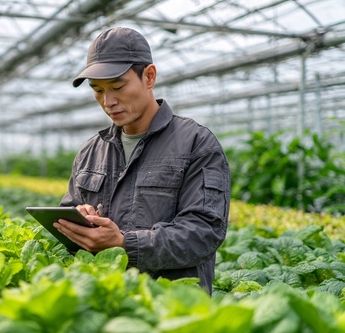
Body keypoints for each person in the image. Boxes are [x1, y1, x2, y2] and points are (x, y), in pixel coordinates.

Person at [54, 27, 230, 294]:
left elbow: (204, 232)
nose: (108, 101)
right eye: (97, 90)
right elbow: (68, 220)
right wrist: (79, 220)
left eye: (118, 86)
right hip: (110, 302)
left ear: (149, 76)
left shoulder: (196, 143)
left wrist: (124, 243)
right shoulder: (91, 151)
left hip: (173, 308)